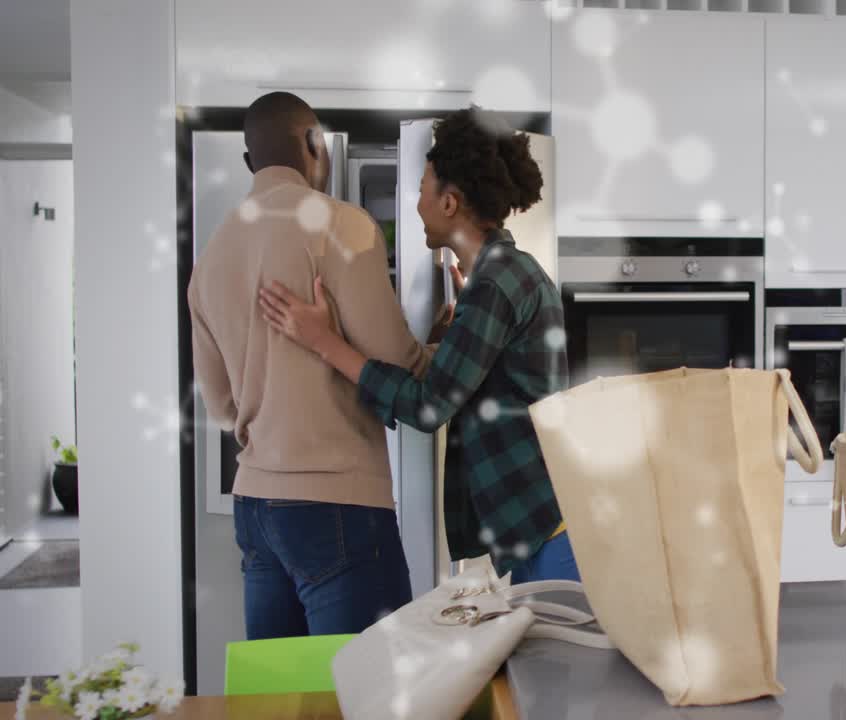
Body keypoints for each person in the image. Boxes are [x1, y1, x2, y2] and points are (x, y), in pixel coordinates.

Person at [258, 106, 579, 584]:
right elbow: (477, 383)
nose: (416, 203)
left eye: (422, 189)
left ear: (449, 203)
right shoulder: (499, 276)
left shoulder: (496, 283)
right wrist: (442, 341)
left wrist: (324, 342)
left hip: (547, 533)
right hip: (543, 522)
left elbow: (428, 409)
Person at [188, 92, 430, 639]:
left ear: (250, 163)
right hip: (338, 503)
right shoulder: (341, 224)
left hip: (255, 508)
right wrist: (444, 346)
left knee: (284, 694)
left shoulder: (211, 257)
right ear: (314, 144)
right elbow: (398, 364)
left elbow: (223, 407)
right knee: (372, 692)